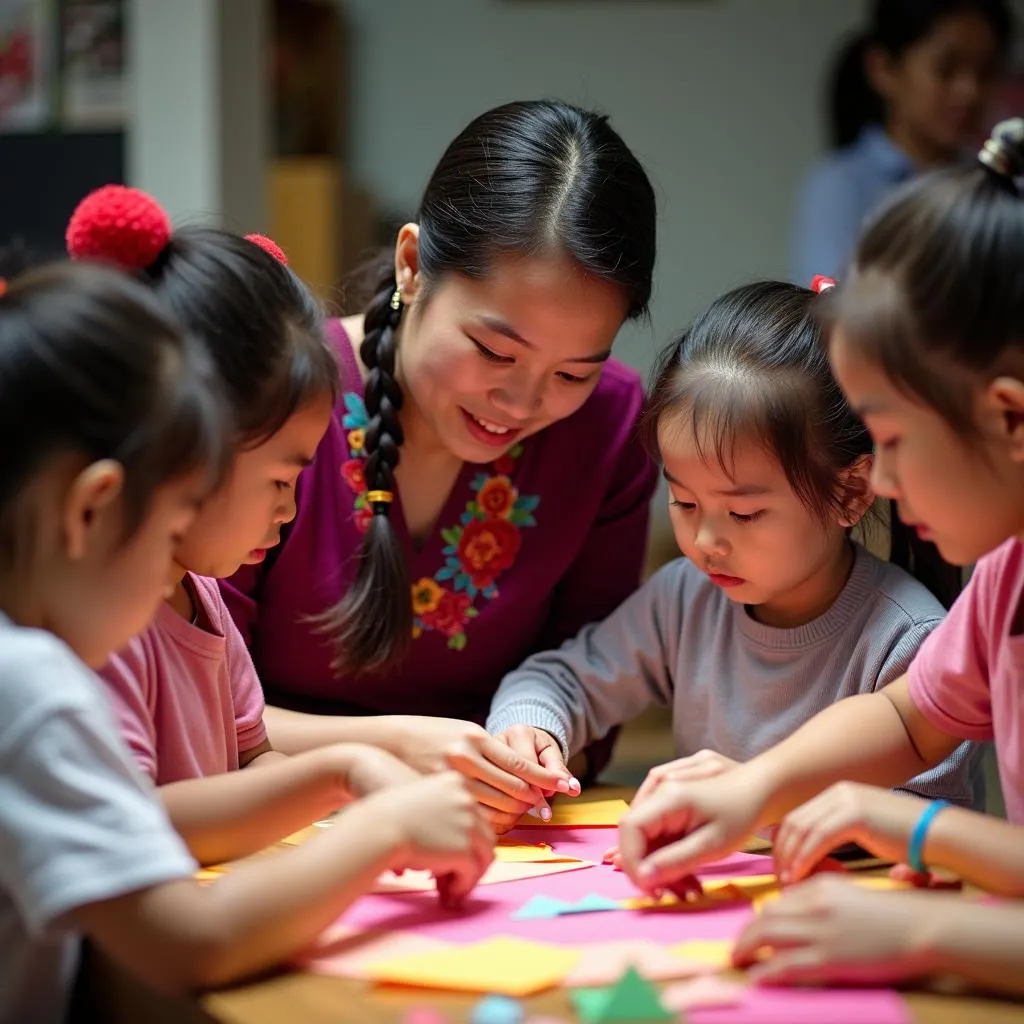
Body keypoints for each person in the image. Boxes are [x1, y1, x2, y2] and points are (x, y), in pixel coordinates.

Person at [0, 260, 492, 1023]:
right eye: (168, 532)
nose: (175, 561)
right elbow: (189, 942)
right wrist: (383, 828)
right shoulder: (28, 684)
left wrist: (346, 770)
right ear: (90, 511)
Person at [618, 118, 1024, 998]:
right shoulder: (1004, 580)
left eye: (893, 439)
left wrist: (923, 910)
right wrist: (755, 791)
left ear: (1008, 417)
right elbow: (911, 718)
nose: (877, 481)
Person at [220, 99, 659, 801]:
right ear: (413, 265)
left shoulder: (608, 425)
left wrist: (539, 743)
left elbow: (594, 686)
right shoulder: (276, 403)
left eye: (573, 372)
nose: (520, 405)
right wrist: (393, 744)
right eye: (493, 349)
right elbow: (197, 706)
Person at [487, 280, 979, 834]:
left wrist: (758, 800)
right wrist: (534, 732)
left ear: (850, 492)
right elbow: (563, 679)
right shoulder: (686, 598)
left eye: (744, 514)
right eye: (685, 502)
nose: (705, 542)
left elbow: (928, 833)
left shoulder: (909, 641)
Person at [791, 0, 1012, 285]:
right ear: (883, 68)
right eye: (945, 69)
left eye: (985, 72)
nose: (969, 91)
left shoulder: (997, 180)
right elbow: (831, 306)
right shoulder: (840, 185)